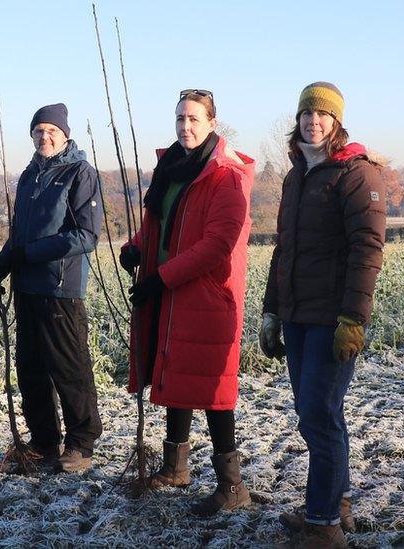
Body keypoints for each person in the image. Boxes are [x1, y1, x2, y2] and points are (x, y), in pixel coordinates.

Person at [260, 82, 385, 548]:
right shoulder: (297, 177)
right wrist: (272, 310)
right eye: (306, 114)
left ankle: (325, 522)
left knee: (318, 415)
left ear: (336, 123)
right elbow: (283, 252)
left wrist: (354, 319)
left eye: (322, 115)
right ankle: (338, 500)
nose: (313, 121)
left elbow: (366, 251)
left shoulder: (356, 175)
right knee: (318, 413)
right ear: (298, 121)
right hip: (297, 314)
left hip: (332, 318)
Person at [119, 89, 255, 516]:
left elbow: (217, 244)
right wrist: (137, 247)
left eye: (194, 119)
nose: (185, 126)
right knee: (175, 373)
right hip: (169, 290)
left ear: (212, 123)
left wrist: (162, 277)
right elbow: (163, 224)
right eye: (180, 118)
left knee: (213, 391)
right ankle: (176, 468)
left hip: (207, 296)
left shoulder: (225, 176)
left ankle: (232, 487)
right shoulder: (172, 168)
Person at [0, 103, 103, 473]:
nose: (44, 136)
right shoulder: (28, 176)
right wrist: (0, 269)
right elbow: (18, 236)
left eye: (51, 130)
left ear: (65, 134)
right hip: (27, 289)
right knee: (31, 369)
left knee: (69, 368)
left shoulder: (79, 173)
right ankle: (43, 442)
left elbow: (86, 236)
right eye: (38, 130)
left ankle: (81, 443)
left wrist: (32, 254)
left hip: (60, 288)